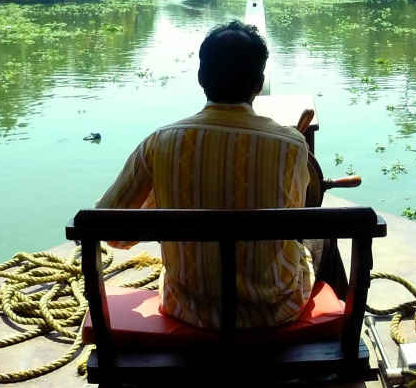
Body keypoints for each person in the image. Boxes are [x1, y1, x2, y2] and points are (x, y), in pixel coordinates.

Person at [96, 20, 314, 330]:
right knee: (318, 244)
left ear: (201, 77)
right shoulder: (291, 145)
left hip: (187, 309)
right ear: (258, 82)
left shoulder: (160, 142)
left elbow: (112, 230)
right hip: (274, 311)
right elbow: (292, 221)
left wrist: (162, 199)